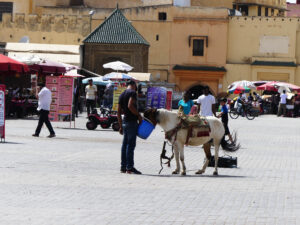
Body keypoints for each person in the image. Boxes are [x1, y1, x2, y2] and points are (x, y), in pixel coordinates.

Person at [117, 80, 142, 175]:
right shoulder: (132, 93)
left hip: (125, 122)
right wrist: (139, 116)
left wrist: (120, 126)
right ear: (133, 86)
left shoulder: (122, 94)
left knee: (124, 145)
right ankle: (130, 167)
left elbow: (118, 112)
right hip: (132, 122)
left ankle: (123, 167)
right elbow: (130, 105)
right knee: (130, 146)